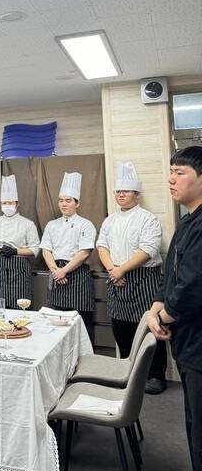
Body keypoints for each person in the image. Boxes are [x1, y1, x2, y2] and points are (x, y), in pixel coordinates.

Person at [148, 147, 202, 471]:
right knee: (194, 430)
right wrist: (158, 306)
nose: (171, 178)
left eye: (179, 172)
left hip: (199, 346)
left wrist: (165, 315)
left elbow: (193, 286)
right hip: (187, 342)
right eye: (170, 172)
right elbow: (174, 276)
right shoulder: (188, 222)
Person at [97, 162, 166, 394]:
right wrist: (112, 270)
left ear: (136, 193)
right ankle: (128, 370)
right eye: (118, 191)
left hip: (143, 279)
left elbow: (147, 250)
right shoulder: (110, 220)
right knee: (121, 328)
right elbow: (102, 246)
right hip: (115, 275)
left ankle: (156, 375)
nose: (121, 195)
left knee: (149, 327)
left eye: (125, 191)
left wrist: (121, 270)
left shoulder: (148, 219)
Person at [41, 172, 96, 342]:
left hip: (77, 275)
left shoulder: (86, 224)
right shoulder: (51, 224)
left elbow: (84, 252)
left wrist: (64, 271)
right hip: (56, 272)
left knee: (80, 322)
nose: (63, 204)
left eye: (68, 200)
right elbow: (46, 250)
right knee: (55, 322)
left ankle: (85, 360)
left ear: (77, 203)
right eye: (61, 200)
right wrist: (56, 271)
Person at [0, 175, 40, 308]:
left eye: (10, 203)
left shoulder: (28, 224)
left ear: (17, 204)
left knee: (21, 309)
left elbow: (35, 249)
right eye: (4, 203)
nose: (7, 206)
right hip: (0, 267)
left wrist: (16, 251)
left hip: (20, 269)